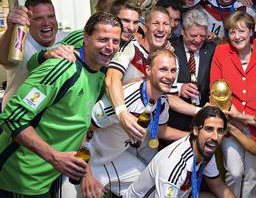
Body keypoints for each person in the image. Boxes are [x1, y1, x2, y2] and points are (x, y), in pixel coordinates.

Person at [0, 12, 122, 197]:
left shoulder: (99, 75)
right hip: (18, 179)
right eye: (103, 39)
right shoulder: (62, 67)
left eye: (115, 41)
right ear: (86, 38)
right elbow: (11, 117)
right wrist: (54, 157)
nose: (110, 47)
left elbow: (80, 125)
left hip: (48, 178)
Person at [59, 48, 187, 197]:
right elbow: (86, 129)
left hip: (114, 158)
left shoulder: (162, 102)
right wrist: (86, 173)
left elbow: (160, 130)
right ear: (148, 70)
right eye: (163, 70)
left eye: (173, 70)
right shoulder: (125, 97)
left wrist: (192, 136)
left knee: (149, 185)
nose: (170, 76)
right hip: (86, 159)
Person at [210, 11, 256, 197]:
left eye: (241, 31)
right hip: (231, 123)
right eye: (232, 32)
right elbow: (215, 88)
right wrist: (230, 113)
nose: (236, 36)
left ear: (251, 32)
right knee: (235, 172)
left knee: (253, 176)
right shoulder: (221, 52)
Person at [127, 106, 236, 198]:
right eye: (209, 129)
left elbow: (218, 187)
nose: (215, 137)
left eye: (220, 131)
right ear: (196, 130)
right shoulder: (176, 163)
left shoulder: (206, 148)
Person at [105, 6, 171, 142]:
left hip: (145, 135)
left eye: (166, 24)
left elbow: (166, 97)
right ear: (145, 27)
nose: (161, 28)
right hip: (118, 127)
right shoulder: (130, 47)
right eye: (155, 23)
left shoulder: (169, 59)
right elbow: (112, 78)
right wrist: (122, 112)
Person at [0, 0, 68, 108]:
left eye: (51, 16)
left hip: (50, 117)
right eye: (38, 18)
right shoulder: (19, 41)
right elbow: (3, 60)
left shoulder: (68, 39)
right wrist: (10, 29)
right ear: (28, 21)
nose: (46, 23)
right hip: (18, 116)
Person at [168, 9, 216, 133]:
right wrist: (179, 88)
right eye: (194, 35)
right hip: (174, 120)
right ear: (183, 31)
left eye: (202, 36)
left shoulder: (213, 49)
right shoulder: (170, 47)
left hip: (205, 120)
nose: (198, 40)